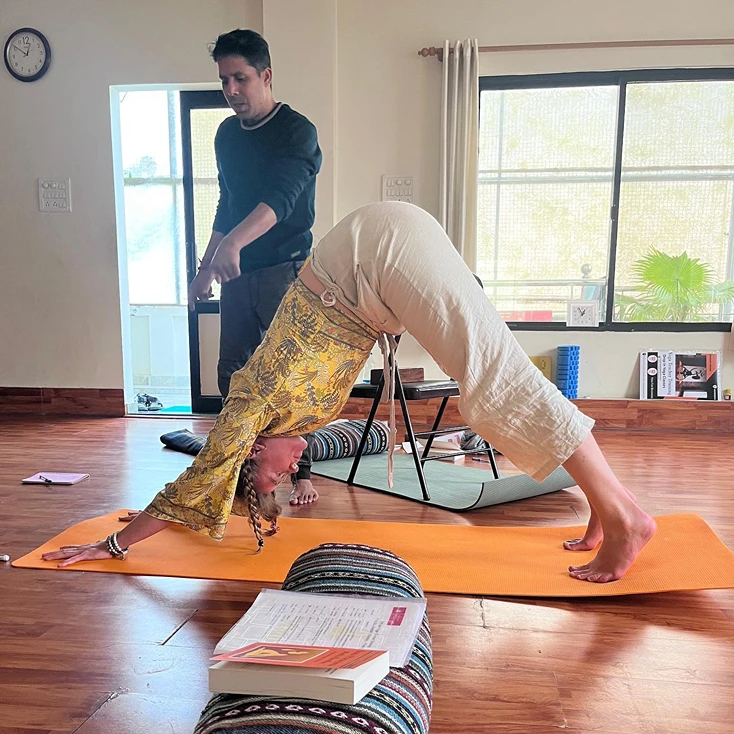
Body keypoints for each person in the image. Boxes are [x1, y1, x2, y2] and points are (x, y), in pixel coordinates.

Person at [43, 202, 656, 583]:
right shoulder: (287, 421)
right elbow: (207, 496)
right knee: (491, 381)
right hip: (372, 275)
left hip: (374, 256)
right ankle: (608, 507)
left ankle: (624, 516)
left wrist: (114, 544)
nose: (290, 474)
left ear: (251, 451)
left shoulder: (249, 409)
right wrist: (169, 518)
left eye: (273, 477)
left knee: (496, 379)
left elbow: (201, 477)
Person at [189, 28, 322, 505]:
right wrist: (207, 266)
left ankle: (302, 474)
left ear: (266, 76)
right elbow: (228, 203)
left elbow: (281, 201)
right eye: (224, 80)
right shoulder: (227, 135)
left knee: (289, 373)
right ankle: (237, 469)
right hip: (237, 274)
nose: (231, 90)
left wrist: (234, 246)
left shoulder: (297, 131)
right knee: (232, 372)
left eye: (240, 78)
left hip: (287, 270)